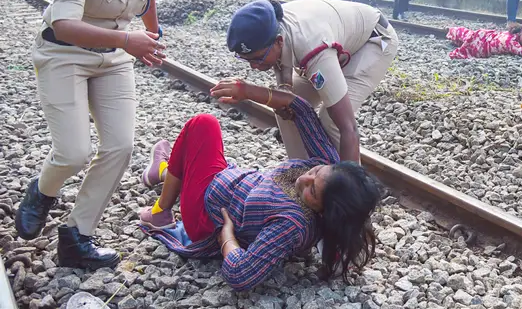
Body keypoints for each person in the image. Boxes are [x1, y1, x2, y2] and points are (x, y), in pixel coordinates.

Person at [15, 0, 181, 269]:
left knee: (120, 147)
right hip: (64, 54)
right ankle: (42, 191)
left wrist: (151, 35)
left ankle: (77, 237)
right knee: (73, 152)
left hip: (113, 60)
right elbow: (62, 24)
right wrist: (128, 40)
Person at [137, 89, 382, 291]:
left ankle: (160, 211)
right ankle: (162, 171)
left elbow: (240, 275)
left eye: (312, 191)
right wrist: (248, 91)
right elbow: (302, 109)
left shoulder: (291, 224)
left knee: (202, 124)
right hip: (227, 178)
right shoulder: (328, 169)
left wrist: (226, 236)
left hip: (206, 212)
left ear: (324, 212)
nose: (304, 179)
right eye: (315, 172)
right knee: (202, 139)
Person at [223, 0, 399, 163]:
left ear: (278, 42)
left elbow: (348, 128)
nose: (254, 66)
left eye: (258, 59)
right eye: (247, 60)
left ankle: (348, 182)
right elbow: (283, 66)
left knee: (332, 120)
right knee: (286, 107)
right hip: (331, 43)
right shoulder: (272, 26)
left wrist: (348, 179)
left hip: (372, 42)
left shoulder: (312, 48)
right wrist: (284, 89)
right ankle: (301, 170)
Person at [446, 23, 522, 64]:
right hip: (479, 42)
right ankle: (449, 30)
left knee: (460, 37)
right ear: (521, 32)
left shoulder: (520, 38)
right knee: (458, 34)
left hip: (487, 38)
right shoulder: (510, 42)